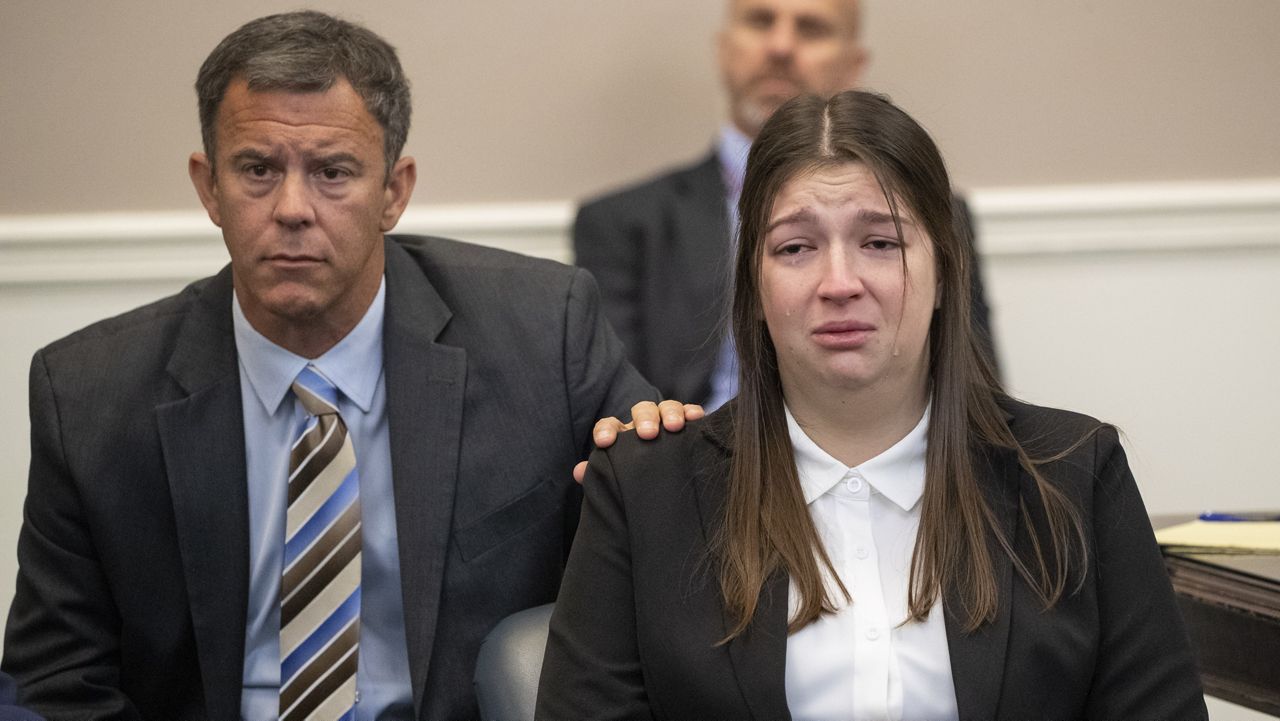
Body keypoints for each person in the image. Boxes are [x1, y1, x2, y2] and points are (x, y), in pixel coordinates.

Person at [0, 11, 696, 721]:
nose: (292, 209)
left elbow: (670, 564)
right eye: (257, 170)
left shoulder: (544, 333)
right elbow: (53, 681)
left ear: (395, 189)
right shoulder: (89, 393)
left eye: (333, 172)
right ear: (209, 187)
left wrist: (684, 466)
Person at [538, 90, 1207, 719]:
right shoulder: (646, 488)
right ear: (755, 286)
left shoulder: (1072, 473)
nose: (839, 282)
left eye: (880, 242)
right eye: (796, 247)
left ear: (945, 270)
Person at [574, 0, 997, 409]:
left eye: (810, 28)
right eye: (760, 21)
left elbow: (975, 389)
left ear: (854, 65)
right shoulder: (622, 223)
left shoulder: (934, 212)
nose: (780, 47)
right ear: (724, 49)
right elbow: (617, 408)